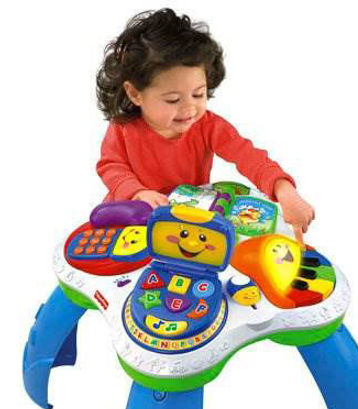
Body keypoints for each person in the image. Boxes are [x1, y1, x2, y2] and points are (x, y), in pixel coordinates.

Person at [95, 8, 314, 242]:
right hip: (131, 217)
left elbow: (250, 157)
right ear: (135, 93)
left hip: (185, 222)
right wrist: (137, 192)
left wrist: (284, 190)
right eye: (173, 100)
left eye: (198, 94)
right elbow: (111, 165)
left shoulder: (208, 126)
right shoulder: (123, 128)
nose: (189, 109)